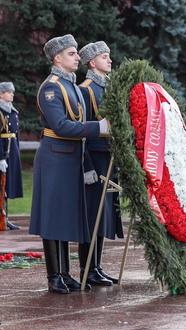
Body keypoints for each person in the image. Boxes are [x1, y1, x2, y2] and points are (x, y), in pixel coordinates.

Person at [29, 34, 111, 294]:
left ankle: (65, 273)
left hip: (71, 156)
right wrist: (99, 127)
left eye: (76, 53)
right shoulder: (51, 87)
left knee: (64, 215)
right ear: (57, 58)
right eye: (72, 53)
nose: (78, 57)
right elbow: (62, 125)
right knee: (53, 216)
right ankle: (55, 276)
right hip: (55, 155)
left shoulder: (72, 86)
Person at [78, 41, 123, 286]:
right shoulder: (85, 90)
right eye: (105, 57)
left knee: (103, 214)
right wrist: (86, 166)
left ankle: (96, 266)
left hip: (108, 157)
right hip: (94, 158)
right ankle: (87, 267)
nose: (110, 60)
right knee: (92, 214)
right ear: (92, 62)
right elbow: (82, 131)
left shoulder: (107, 88)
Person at [0, 82, 22, 230]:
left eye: (12, 92)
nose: (12, 94)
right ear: (1, 94)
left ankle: (5, 218)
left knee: (7, 186)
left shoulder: (12, 111)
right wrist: (0, 157)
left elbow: (16, 134)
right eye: (9, 92)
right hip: (3, 151)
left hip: (12, 151)